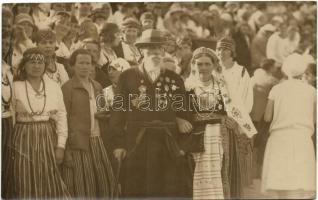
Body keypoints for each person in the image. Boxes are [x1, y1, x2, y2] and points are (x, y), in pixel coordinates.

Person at [109, 29, 193, 198]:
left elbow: (185, 114)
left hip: (168, 144)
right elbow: (118, 113)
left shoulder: (174, 78)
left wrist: (183, 147)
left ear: (163, 51)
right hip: (136, 143)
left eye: (158, 49)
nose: (154, 53)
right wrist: (119, 145)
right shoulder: (127, 76)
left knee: (167, 191)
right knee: (136, 189)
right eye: (150, 49)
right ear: (141, 51)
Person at [6, 47, 70, 198]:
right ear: (24, 65)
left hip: (48, 138)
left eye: (40, 62)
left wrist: (61, 146)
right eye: (31, 62)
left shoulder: (54, 87)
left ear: (45, 65)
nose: (36, 66)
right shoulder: (15, 86)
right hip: (21, 139)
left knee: (49, 179)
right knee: (23, 178)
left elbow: (61, 116)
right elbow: (11, 117)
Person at [185, 47, 247, 199]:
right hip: (197, 136)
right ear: (193, 65)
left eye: (207, 64)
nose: (204, 68)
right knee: (198, 171)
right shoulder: (187, 86)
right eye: (199, 64)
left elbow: (235, 110)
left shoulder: (223, 85)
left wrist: (234, 121)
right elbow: (181, 113)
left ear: (214, 65)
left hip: (220, 134)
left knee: (220, 171)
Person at [61, 49, 118, 198]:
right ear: (73, 65)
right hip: (78, 144)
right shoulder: (67, 88)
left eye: (88, 63)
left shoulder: (97, 86)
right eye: (81, 63)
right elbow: (63, 121)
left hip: (98, 141)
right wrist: (66, 151)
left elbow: (104, 112)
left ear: (93, 66)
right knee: (83, 186)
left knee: (105, 183)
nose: (85, 66)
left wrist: (105, 115)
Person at [261, 53, 316, 199]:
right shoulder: (312, 91)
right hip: (302, 139)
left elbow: (267, 117)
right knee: (297, 187)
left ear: (285, 70)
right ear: (303, 71)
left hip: (279, 139)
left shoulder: (276, 89)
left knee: (279, 187)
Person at [216, 36, 256, 187]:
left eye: (225, 49)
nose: (221, 52)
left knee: (233, 162)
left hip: (235, 123)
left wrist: (235, 119)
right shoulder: (213, 70)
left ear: (232, 52)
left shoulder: (241, 71)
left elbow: (246, 99)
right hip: (217, 120)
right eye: (219, 49)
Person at [1, 31, 14, 197]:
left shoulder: (7, 68)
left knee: (5, 164)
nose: (3, 48)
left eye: (6, 45)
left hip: (7, 120)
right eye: (1, 43)